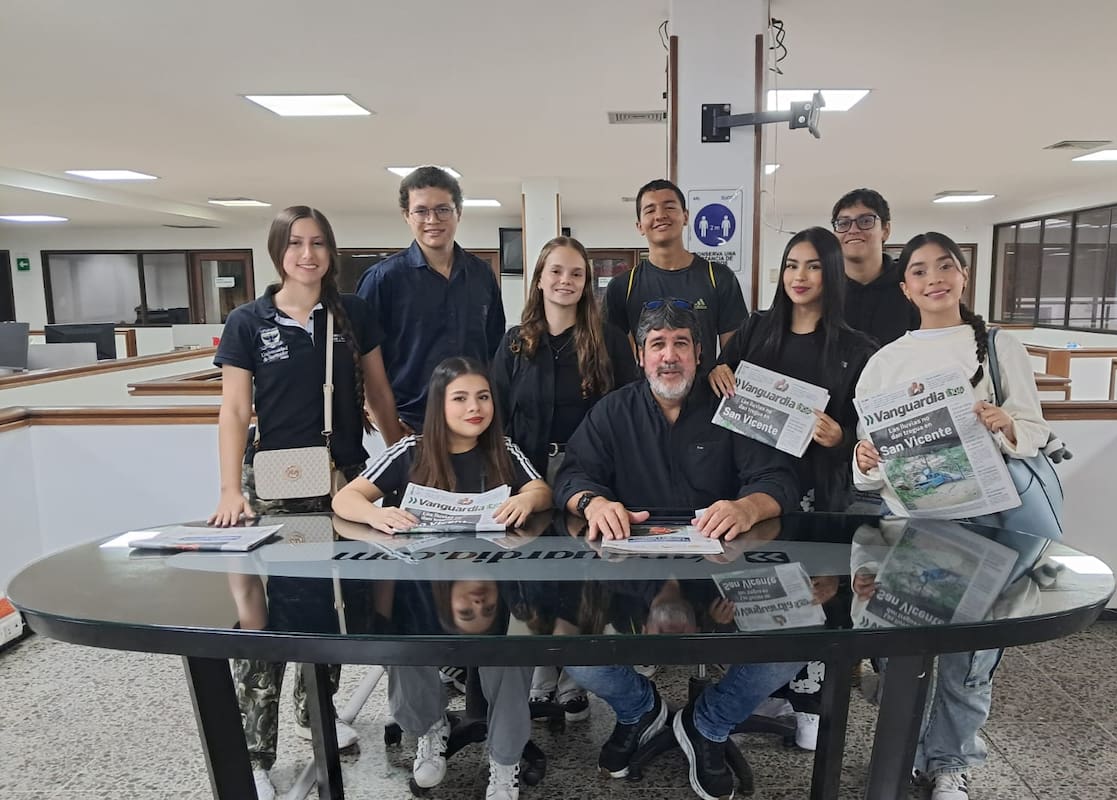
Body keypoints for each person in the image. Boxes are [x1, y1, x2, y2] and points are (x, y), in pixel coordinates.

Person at [554, 302, 802, 800]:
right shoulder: (613, 411)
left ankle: (708, 723)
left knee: (798, 637)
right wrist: (593, 501)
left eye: (681, 344)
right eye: (658, 345)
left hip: (724, 575)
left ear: (700, 352)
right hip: (629, 576)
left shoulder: (730, 406)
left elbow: (779, 479)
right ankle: (639, 710)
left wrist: (748, 508)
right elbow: (570, 473)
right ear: (640, 353)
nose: (670, 356)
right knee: (564, 642)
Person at [208, 205, 404, 800]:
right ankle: (256, 753)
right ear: (278, 251)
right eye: (296, 244)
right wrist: (228, 490)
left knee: (332, 604)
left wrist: (403, 460)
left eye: (319, 244)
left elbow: (378, 393)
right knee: (264, 617)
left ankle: (316, 715)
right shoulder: (249, 321)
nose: (308, 255)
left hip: (340, 481)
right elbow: (235, 410)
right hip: (274, 482)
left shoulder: (351, 315)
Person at [851, 232, 1052, 800]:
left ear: (963, 275)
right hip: (912, 528)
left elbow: (1035, 430)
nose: (933, 278)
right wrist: (864, 459)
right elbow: (869, 460)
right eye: (919, 271)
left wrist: (1004, 423)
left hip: (989, 524)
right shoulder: (886, 361)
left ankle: (949, 764)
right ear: (905, 286)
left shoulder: (996, 348)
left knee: (968, 661)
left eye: (945, 266)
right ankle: (904, 753)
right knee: (902, 657)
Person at [332, 356, 550, 800]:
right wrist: (376, 512)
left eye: (483, 397)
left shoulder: (502, 450)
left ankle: (505, 762)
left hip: (493, 590)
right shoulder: (410, 452)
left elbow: (540, 489)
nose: (475, 407)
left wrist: (526, 502)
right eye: (461, 398)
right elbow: (346, 498)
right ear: (439, 405)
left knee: (510, 655)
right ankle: (429, 730)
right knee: (405, 647)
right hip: (423, 592)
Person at [708, 226, 877, 513]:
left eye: (813, 267)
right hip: (747, 485)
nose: (799, 277)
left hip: (817, 491)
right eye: (791, 265)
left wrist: (840, 438)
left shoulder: (857, 349)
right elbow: (722, 385)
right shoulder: (755, 328)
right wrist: (716, 371)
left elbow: (868, 436)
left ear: (833, 273)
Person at [357, 165, 506, 431]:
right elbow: (365, 366)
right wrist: (392, 433)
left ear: (458, 212)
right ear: (406, 215)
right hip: (411, 426)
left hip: (473, 424)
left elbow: (493, 352)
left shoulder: (482, 275)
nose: (432, 220)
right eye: (421, 211)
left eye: (443, 209)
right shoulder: (383, 280)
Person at [492, 235, 640, 483]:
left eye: (576, 274)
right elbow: (499, 413)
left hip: (593, 472)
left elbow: (626, 412)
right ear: (539, 279)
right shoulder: (514, 343)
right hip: (525, 474)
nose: (565, 280)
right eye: (556, 271)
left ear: (585, 284)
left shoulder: (610, 341)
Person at [604, 178, 748, 377]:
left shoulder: (719, 278)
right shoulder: (622, 287)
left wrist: (722, 371)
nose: (660, 215)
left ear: (686, 216)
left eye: (669, 207)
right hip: (645, 401)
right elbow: (616, 356)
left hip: (704, 399)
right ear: (639, 226)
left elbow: (735, 356)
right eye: (650, 210)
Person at [831, 188, 919, 346]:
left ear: (885, 230)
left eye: (865, 221)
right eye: (843, 223)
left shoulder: (911, 287)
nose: (853, 230)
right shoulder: (824, 288)